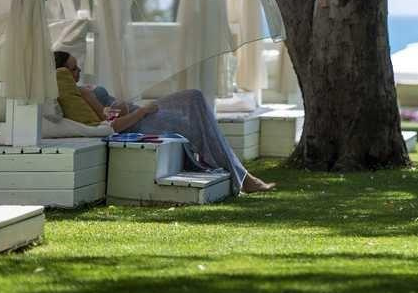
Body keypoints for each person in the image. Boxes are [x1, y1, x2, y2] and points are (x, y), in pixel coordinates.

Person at [53, 51, 275, 194]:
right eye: (73, 68)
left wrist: (125, 107)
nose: (79, 71)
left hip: (140, 113)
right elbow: (110, 124)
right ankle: (243, 177)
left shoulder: (83, 89)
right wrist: (140, 111)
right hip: (139, 122)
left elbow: (109, 113)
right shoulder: (82, 93)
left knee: (195, 100)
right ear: (62, 72)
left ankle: (240, 174)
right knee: (196, 114)